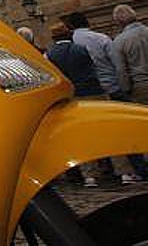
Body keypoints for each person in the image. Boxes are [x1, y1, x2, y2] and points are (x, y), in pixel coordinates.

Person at [64, 11, 148, 182]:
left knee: (94, 133)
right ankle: (135, 167)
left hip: (86, 94)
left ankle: (105, 169)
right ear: (87, 22)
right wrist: (123, 87)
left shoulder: (71, 45)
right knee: (122, 131)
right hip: (112, 88)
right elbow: (118, 65)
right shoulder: (101, 38)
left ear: (70, 27)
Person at [46, 21, 105, 187]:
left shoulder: (49, 55)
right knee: (106, 131)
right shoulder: (80, 49)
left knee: (80, 137)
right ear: (69, 34)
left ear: (53, 38)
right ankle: (125, 172)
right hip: (93, 93)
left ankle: (90, 176)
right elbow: (94, 67)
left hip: (71, 98)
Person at [112, 4, 148, 108]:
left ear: (118, 22)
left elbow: (121, 70)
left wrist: (126, 90)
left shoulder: (119, 41)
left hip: (142, 88)